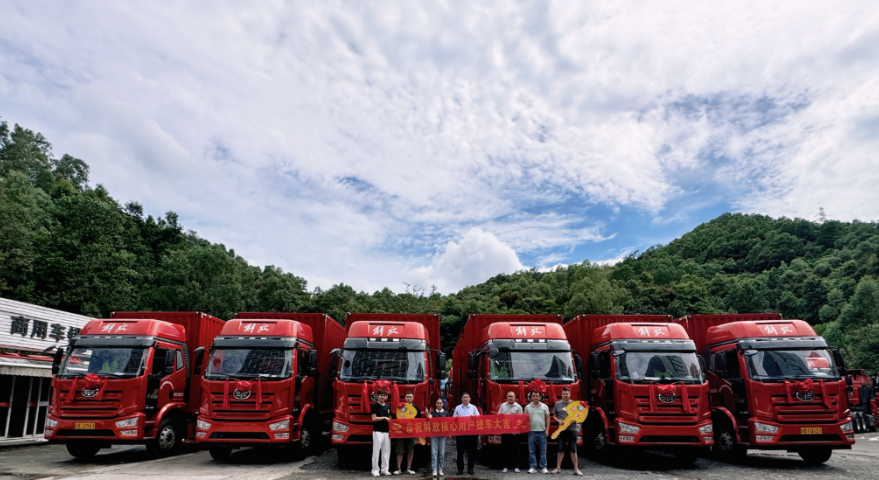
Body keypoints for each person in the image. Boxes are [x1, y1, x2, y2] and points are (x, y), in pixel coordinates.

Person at [551, 388, 582, 476]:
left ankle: (576, 469)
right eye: (564, 394)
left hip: (572, 430)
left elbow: (580, 415)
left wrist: (574, 419)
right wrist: (559, 421)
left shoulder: (574, 404)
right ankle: (558, 468)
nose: (565, 395)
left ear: (569, 394)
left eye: (567, 394)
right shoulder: (557, 404)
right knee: (560, 449)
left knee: (573, 449)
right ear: (561, 395)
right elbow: (554, 415)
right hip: (561, 430)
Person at [453, 392, 480, 475]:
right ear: (461, 399)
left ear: (469, 399)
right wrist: (456, 418)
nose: (465, 399)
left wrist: (474, 417)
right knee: (460, 452)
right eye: (464, 397)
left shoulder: (473, 408)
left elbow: (479, 418)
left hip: (471, 433)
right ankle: (460, 469)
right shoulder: (458, 408)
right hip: (460, 433)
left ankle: (470, 469)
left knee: (471, 452)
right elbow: (453, 418)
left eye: (467, 397)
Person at [394, 392, 420, 475]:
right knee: (399, 450)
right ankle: (398, 468)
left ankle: (409, 468)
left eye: (410, 397)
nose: (409, 398)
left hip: (411, 432)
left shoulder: (416, 407)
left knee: (410, 451)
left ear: (413, 398)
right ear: (404, 398)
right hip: (401, 432)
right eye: (407, 397)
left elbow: (419, 421)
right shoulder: (401, 406)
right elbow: (395, 418)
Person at [524, 391, 550, 474]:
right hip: (531, 432)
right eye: (534, 396)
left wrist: (547, 429)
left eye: (537, 396)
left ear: (540, 397)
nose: (535, 397)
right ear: (531, 397)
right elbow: (524, 419)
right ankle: (532, 467)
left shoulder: (544, 406)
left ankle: (544, 467)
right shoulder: (527, 407)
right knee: (531, 451)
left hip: (542, 431)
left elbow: (548, 418)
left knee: (543, 451)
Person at [498, 391, 523, 473]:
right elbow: (498, 416)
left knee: (515, 449)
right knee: (505, 449)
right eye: (509, 396)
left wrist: (516, 429)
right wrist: (500, 414)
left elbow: (521, 420)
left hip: (515, 432)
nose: (510, 398)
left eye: (512, 396)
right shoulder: (502, 405)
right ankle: (506, 466)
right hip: (505, 431)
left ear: (515, 397)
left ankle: (516, 466)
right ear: (506, 397)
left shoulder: (518, 407)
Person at [371, 389, 393, 477]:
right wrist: (384, 418)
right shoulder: (374, 406)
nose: (382, 397)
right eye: (381, 395)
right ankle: (375, 470)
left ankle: (385, 469)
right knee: (376, 452)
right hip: (377, 431)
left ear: (386, 397)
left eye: (384, 395)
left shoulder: (388, 406)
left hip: (387, 432)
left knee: (386, 451)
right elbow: (373, 418)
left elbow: (390, 419)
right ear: (378, 396)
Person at [428, 397, 451, 476]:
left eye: (440, 403)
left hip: (443, 435)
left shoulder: (446, 413)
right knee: (434, 453)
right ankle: (434, 469)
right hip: (434, 435)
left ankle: (440, 469)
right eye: (437, 403)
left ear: (443, 404)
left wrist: (449, 433)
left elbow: (449, 424)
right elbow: (429, 420)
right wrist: (428, 415)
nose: (439, 404)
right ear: (435, 404)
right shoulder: (433, 412)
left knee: (441, 453)